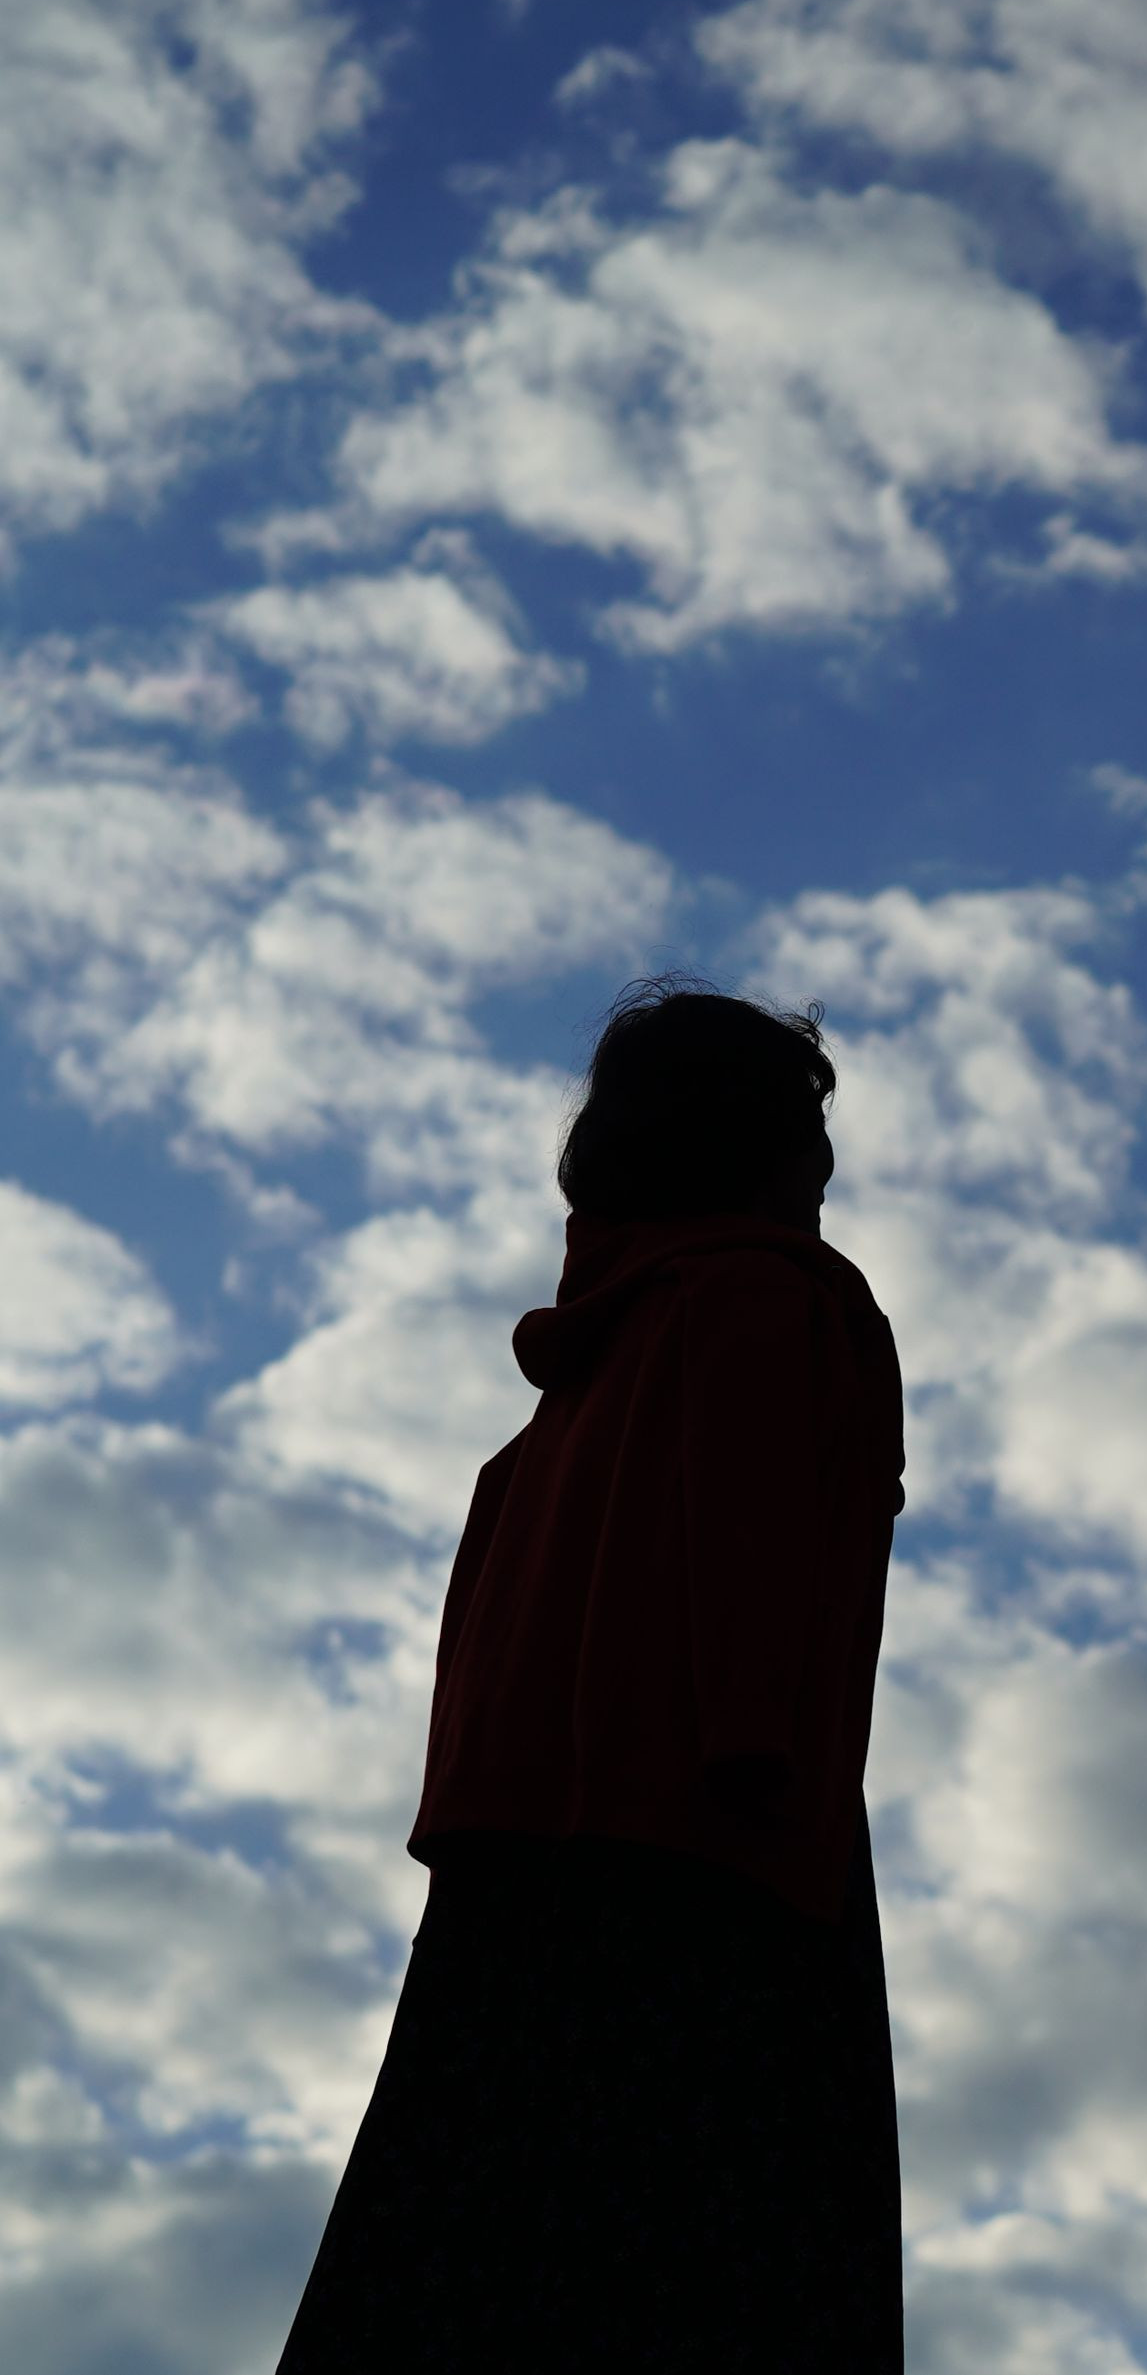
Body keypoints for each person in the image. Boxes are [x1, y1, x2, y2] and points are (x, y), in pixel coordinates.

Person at [279, 976, 908, 2371]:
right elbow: (754, 1548)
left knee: (462, 2262)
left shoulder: (564, 1400)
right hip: (722, 1851)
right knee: (718, 2268)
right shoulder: (777, 1305)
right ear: (758, 1146)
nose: (824, 1172)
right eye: (805, 1135)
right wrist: (755, 1767)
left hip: (511, 1884)